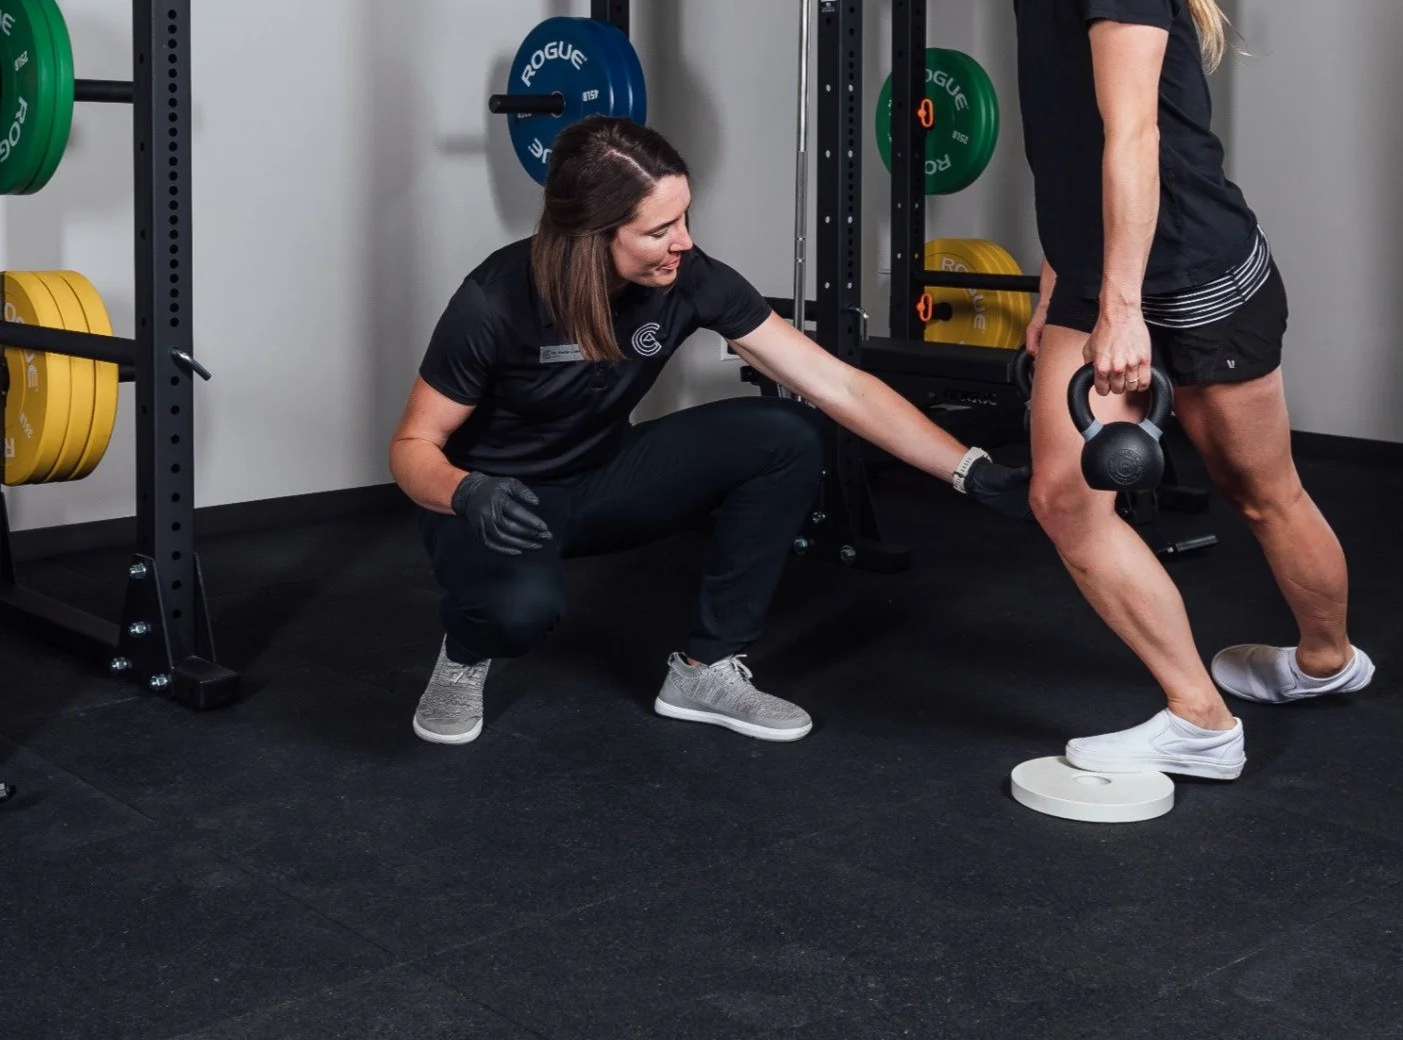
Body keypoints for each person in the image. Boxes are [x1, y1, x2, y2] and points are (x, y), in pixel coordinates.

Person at [960, 0, 1373, 781]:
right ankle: (1199, 716)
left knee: (1258, 490)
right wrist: (1063, 285)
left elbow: (1135, 135)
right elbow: (1070, 150)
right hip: (1101, 272)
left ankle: (1325, 659)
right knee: (1062, 498)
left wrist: (1124, 308)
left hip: (1189, 270)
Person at [389, 114, 1030, 747]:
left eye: (686, 218)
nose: (685, 242)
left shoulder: (688, 279)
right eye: (660, 229)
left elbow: (839, 384)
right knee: (519, 611)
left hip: (601, 480)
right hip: (491, 505)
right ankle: (466, 652)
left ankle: (704, 671)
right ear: (593, 233)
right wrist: (468, 492)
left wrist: (968, 468)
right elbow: (412, 447)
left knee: (787, 434)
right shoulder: (493, 301)